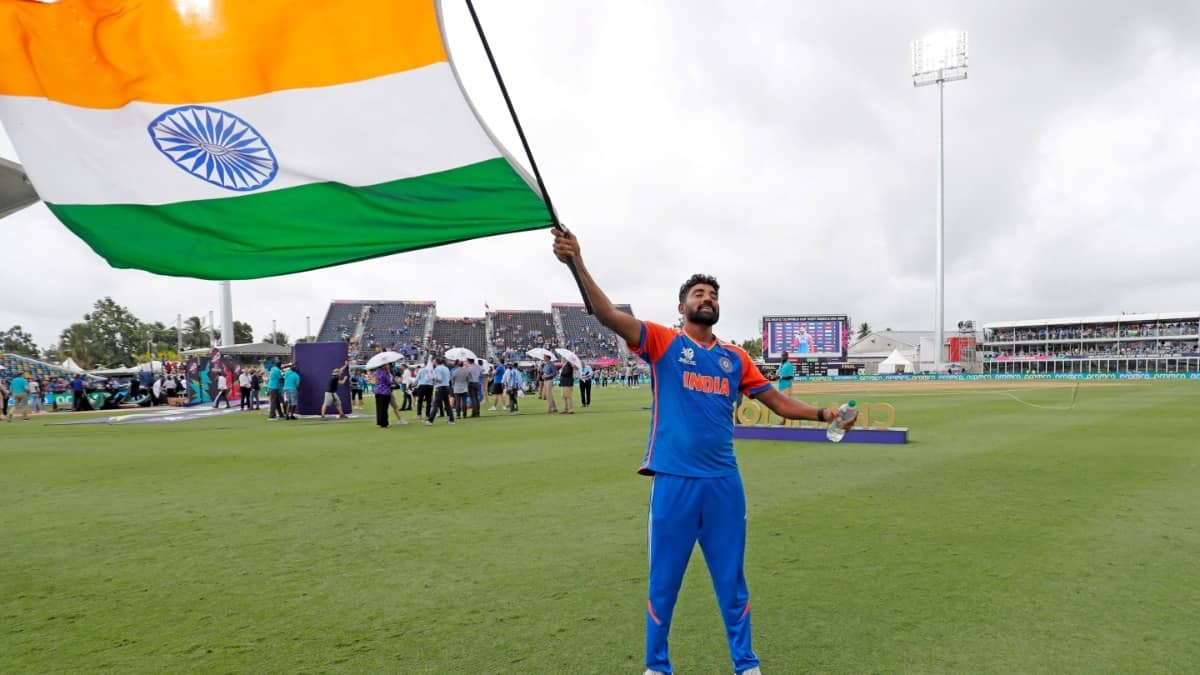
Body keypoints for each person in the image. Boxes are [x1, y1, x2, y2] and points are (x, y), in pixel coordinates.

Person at [552, 229, 857, 675]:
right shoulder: (663, 342)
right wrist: (576, 261)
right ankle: (657, 667)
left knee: (732, 581)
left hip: (723, 485)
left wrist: (823, 412)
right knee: (664, 584)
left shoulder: (735, 358)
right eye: (698, 292)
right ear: (682, 307)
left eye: (712, 293)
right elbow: (605, 313)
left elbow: (776, 401)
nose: (707, 297)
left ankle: (746, 665)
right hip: (674, 480)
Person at [425, 357, 454, 426]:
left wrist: (432, 377)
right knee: (447, 404)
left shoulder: (437, 369)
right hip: (446, 387)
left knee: (435, 404)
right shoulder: (446, 368)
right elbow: (449, 378)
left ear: (437, 362)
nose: (433, 362)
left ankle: (430, 420)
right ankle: (451, 420)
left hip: (440, 387)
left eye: (434, 361)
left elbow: (439, 380)